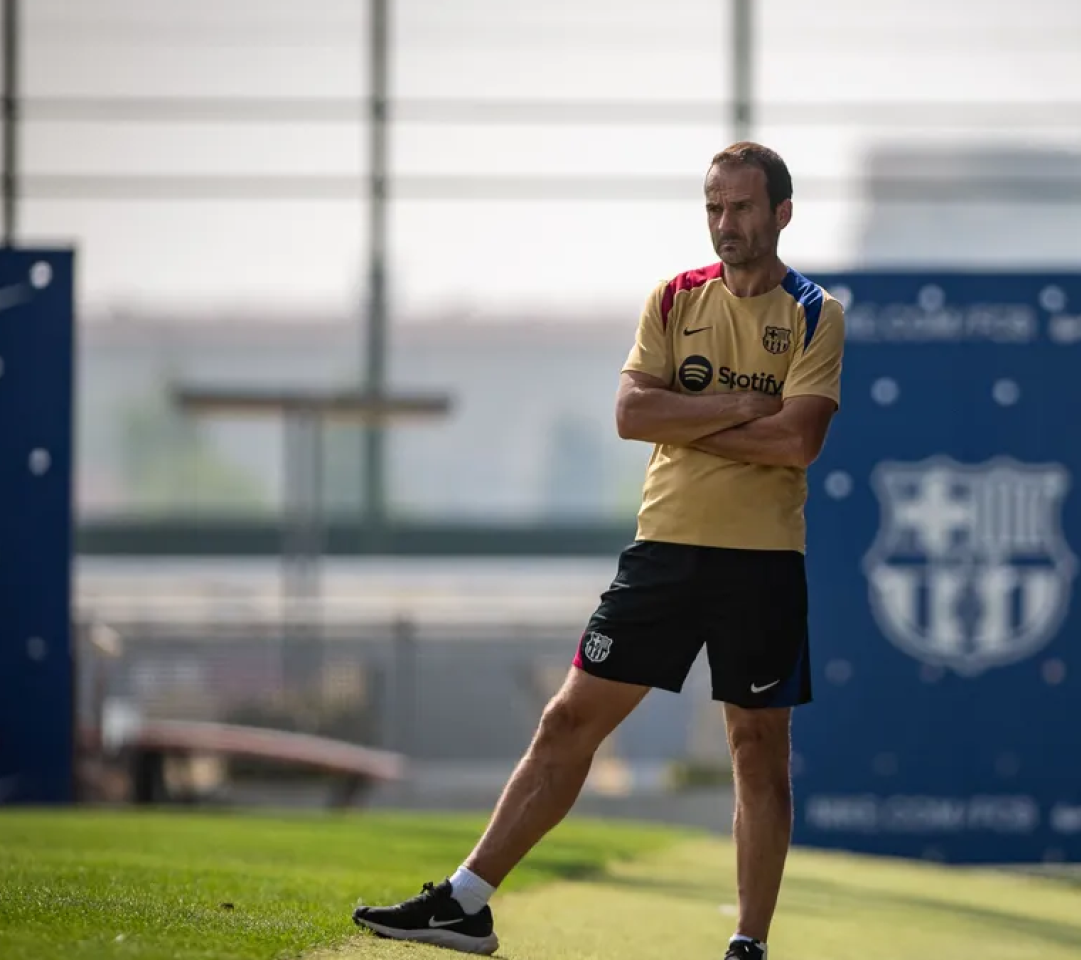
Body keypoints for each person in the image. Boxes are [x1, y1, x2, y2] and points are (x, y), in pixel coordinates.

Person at [353, 141, 845, 960]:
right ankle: (466, 903)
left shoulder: (814, 312)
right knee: (568, 718)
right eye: (714, 208)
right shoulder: (672, 298)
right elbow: (631, 416)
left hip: (761, 563)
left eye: (744, 208)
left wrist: (691, 410)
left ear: (782, 213)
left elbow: (799, 441)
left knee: (757, 753)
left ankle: (747, 944)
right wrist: (739, 409)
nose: (727, 224)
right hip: (663, 552)